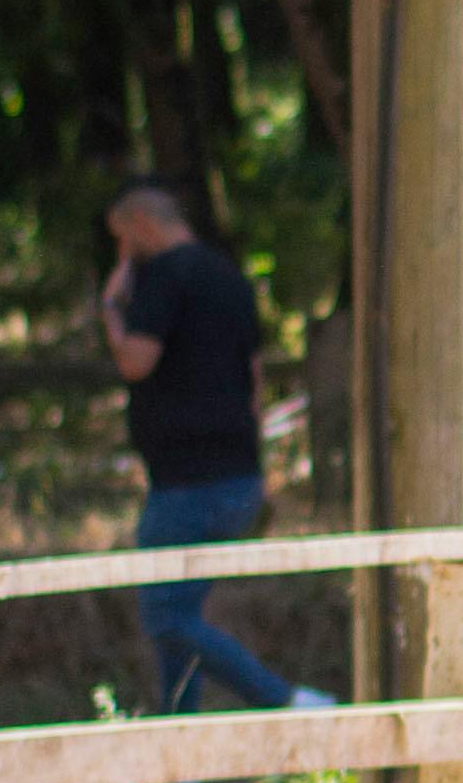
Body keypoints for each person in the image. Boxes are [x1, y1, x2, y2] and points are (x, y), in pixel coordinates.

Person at [98, 183, 318, 719]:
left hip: (185, 482)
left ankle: (285, 700)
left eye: (123, 240)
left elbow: (134, 362)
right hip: (237, 474)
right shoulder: (229, 277)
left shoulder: (164, 277)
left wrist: (110, 306)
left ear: (144, 225)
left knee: (167, 620)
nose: (123, 254)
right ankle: (182, 767)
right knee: (180, 622)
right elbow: (255, 376)